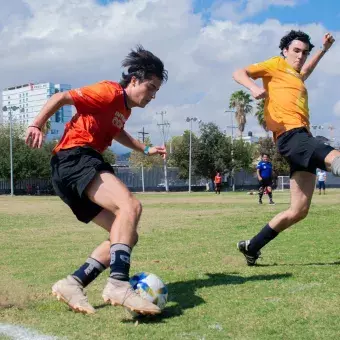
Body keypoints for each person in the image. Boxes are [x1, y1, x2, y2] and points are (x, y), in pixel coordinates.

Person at [25, 46, 168, 314]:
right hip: (74, 158)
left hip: (72, 168)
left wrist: (145, 149)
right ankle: (118, 284)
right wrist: (36, 124)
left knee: (126, 234)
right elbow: (61, 97)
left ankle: (73, 283)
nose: (153, 95)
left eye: (157, 91)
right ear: (134, 80)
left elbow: (118, 131)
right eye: (150, 87)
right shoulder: (108, 91)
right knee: (131, 207)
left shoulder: (123, 109)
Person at [232, 30, 338, 266]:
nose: (300, 56)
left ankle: (252, 246)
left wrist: (323, 50)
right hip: (291, 135)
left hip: (301, 137)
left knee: (298, 210)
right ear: (284, 51)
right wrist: (252, 87)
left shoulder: (294, 76)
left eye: (304, 52)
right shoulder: (275, 65)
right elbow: (239, 72)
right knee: (337, 159)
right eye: (296, 51)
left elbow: (304, 72)